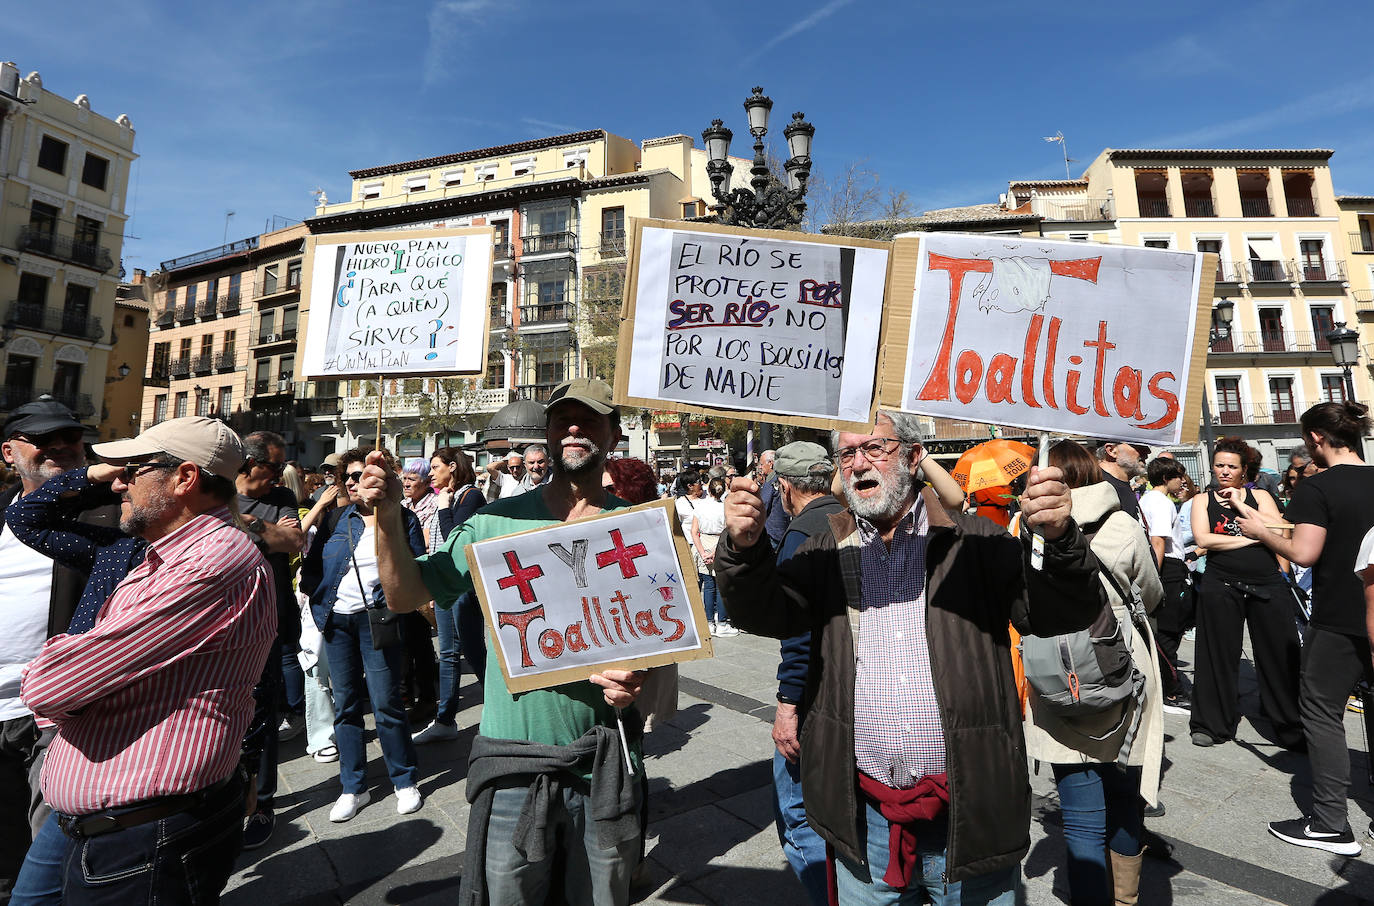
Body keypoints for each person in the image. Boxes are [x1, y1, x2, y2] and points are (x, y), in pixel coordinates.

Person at [716, 410, 1105, 903]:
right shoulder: (824, 548)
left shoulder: (977, 543)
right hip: (866, 821)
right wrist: (743, 549)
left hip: (971, 815)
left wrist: (1061, 540)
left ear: (915, 456)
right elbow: (768, 613)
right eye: (847, 454)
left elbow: (1057, 614)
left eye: (874, 448)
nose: (859, 464)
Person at [361, 377, 647, 906]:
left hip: (603, 764)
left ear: (613, 432)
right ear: (548, 434)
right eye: (563, 420)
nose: (574, 429)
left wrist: (638, 681)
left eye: (589, 419)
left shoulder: (636, 529)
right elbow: (404, 595)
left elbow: (660, 641)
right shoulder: (493, 522)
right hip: (513, 763)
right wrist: (385, 515)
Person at [20, 416, 275, 904]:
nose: (118, 482)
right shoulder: (163, 553)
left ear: (184, 478)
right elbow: (27, 518)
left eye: (133, 469)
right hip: (109, 819)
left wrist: (55, 670)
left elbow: (50, 688)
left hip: (140, 834)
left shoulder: (208, 563)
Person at [1024, 441, 1164, 906]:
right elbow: (1151, 594)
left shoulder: (1023, 528)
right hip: (1122, 668)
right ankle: (1125, 899)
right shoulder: (1122, 523)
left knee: (1082, 816)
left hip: (1056, 674)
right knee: (1125, 798)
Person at [1229, 403, 1374, 854]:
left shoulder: (1318, 486)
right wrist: (1270, 521)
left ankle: (1330, 822)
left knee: (1321, 710)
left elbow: (1305, 552)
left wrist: (1258, 531)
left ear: (1315, 438)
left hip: (1339, 617)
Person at [0, 399, 99, 901]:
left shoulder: (108, 516)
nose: (59, 447)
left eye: (70, 438)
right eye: (43, 440)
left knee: (54, 852)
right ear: (9, 452)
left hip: (60, 713)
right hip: (0, 711)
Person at [300, 447, 425, 822]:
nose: (356, 482)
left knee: (386, 702)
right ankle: (353, 786)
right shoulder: (336, 518)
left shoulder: (401, 518)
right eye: (349, 477)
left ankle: (404, 779)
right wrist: (320, 600)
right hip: (337, 622)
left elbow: (418, 567)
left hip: (378, 620)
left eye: (362, 475)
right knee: (346, 705)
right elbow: (311, 568)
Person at [765, 441, 847, 906]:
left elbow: (798, 633)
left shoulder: (802, 534)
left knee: (797, 813)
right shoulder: (852, 517)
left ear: (785, 486)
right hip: (855, 688)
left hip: (815, 694)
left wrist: (787, 704)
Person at [1187, 436, 1302, 750]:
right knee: (1216, 655)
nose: (1224, 471)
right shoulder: (1202, 500)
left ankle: (1289, 725)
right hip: (1221, 582)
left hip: (1266, 581)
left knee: (1279, 654)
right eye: (1219, 465)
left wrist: (1243, 508)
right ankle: (1210, 724)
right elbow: (1204, 539)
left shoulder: (1260, 496)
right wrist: (1254, 538)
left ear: (1243, 470)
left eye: (1231, 466)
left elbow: (1280, 528)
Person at [235, 430, 306, 850]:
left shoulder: (279, 497)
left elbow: (293, 540)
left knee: (263, 715)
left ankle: (262, 803)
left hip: (269, 618)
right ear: (249, 462)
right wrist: (268, 534)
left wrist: (246, 523)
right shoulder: (217, 492)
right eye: (274, 466)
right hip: (225, 621)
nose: (280, 475)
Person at [413, 447, 487, 745]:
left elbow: (454, 538)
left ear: (452, 467)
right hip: (444, 584)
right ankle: (445, 720)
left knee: (472, 650)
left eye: (435, 467)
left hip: (462, 586)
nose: (430, 473)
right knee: (447, 653)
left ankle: (501, 708)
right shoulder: (447, 496)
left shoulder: (471, 496)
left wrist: (444, 508)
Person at [1139, 456, 1193, 714]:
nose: (1183, 481)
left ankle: (1166, 686)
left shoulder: (1146, 499)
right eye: (1178, 476)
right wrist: (1156, 577)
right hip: (1167, 569)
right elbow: (1158, 541)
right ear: (1165, 478)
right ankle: (1171, 690)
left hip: (1164, 567)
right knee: (1169, 631)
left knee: (1165, 629)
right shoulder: (1161, 502)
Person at [399, 459, 440, 728]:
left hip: (422, 580)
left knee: (421, 644)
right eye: (404, 478)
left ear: (425, 483)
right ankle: (406, 695)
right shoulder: (403, 505)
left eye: (412, 480)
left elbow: (426, 542)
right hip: (402, 580)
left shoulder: (432, 505)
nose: (406, 484)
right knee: (405, 643)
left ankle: (427, 699)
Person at [690, 477, 733, 637]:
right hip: (720, 543)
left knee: (708, 586)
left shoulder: (700, 506)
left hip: (703, 542)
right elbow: (726, 531)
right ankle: (722, 623)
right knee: (721, 586)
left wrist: (702, 552)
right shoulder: (725, 508)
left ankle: (709, 623)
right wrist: (715, 551)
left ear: (709, 490)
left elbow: (694, 531)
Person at [1095, 440, 1144, 523]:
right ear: (1112, 450)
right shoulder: (1098, 486)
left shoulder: (1121, 484)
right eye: (1138, 445)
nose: (1148, 452)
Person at [755, 449, 788, 548]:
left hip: (773, 533)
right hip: (782, 530)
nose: (760, 467)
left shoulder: (771, 480)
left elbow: (763, 505)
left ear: (770, 463)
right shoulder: (781, 478)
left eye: (762, 464)